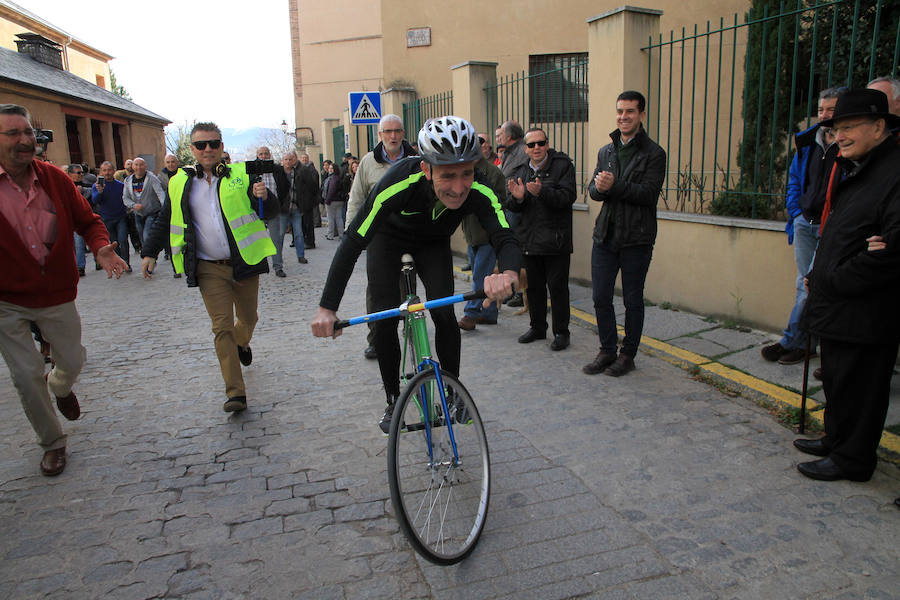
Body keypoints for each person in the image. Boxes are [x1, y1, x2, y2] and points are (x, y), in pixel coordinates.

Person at [311, 116, 520, 433]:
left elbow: (504, 236)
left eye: (467, 173)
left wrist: (507, 272)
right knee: (384, 318)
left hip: (433, 243)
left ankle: (452, 393)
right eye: (447, 175)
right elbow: (353, 242)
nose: (459, 187)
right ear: (427, 170)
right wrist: (327, 307)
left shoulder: (480, 188)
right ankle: (393, 398)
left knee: (444, 313)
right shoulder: (398, 182)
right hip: (388, 240)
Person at [0, 103, 127, 476]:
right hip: (6, 300)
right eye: (14, 134)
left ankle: (60, 386)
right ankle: (52, 443)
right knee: (25, 375)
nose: (25, 141)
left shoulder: (55, 179)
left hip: (56, 295)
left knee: (72, 360)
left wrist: (101, 246)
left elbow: (88, 220)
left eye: (29, 133)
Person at [793, 88, 900, 482]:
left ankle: (853, 459)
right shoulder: (858, 165)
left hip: (868, 310)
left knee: (862, 387)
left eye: (850, 126)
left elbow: (888, 252)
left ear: (879, 126)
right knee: (838, 377)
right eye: (837, 128)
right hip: (838, 302)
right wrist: (821, 273)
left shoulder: (894, 172)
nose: (841, 136)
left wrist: (832, 276)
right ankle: (836, 440)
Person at [141, 122, 279, 414]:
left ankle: (242, 344)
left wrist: (264, 197)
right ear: (192, 149)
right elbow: (166, 218)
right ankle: (236, 393)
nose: (207, 150)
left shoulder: (240, 175)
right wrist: (149, 252)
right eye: (201, 145)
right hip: (207, 267)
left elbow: (273, 209)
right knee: (221, 328)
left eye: (213, 144)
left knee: (248, 318)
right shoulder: (180, 182)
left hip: (244, 263)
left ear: (222, 146)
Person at [583, 90, 666, 377]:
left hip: (637, 239)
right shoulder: (607, 151)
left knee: (632, 300)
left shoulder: (654, 153)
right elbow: (593, 191)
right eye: (620, 111)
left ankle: (627, 354)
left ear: (641, 115)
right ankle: (607, 350)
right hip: (605, 236)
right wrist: (600, 188)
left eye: (630, 112)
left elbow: (648, 194)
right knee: (600, 296)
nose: (623, 117)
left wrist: (613, 186)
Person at [761, 87, 844, 366]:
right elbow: (796, 180)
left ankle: (796, 342)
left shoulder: (848, 145)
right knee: (804, 284)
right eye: (821, 109)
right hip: (805, 223)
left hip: (831, 227)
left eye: (831, 109)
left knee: (817, 285)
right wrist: (796, 212)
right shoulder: (809, 141)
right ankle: (800, 343)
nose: (824, 115)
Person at [345, 114, 417, 360]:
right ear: (380, 135)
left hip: (409, 234)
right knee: (376, 291)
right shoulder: (367, 163)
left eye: (397, 131)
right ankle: (376, 338)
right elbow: (357, 199)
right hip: (380, 235)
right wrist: (351, 236)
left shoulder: (415, 159)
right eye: (388, 131)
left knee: (408, 285)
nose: (393, 136)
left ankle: (411, 333)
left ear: (403, 132)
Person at [505, 128, 576, 350]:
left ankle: (561, 333)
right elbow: (511, 204)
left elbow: (568, 197)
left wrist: (541, 192)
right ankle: (537, 327)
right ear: (525, 149)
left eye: (541, 143)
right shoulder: (521, 170)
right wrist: (519, 198)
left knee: (558, 289)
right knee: (534, 288)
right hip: (530, 240)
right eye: (531, 145)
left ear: (547, 144)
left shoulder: (563, 166)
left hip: (556, 241)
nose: (536, 148)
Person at [457, 137, 507, 331]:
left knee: (480, 275)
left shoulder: (492, 173)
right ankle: (489, 313)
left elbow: (501, 202)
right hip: (471, 233)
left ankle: (471, 314)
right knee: (483, 274)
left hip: (487, 234)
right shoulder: (464, 171)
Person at [255, 146, 291, 277]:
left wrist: (279, 201)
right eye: (261, 154)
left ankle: (278, 266)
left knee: (276, 239)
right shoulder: (252, 171)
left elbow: (285, 186)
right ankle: (257, 266)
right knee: (257, 240)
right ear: (257, 155)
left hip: (273, 208)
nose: (263, 156)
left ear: (269, 154)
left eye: (265, 153)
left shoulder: (277, 169)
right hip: (257, 210)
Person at [92, 161, 132, 272]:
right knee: (114, 243)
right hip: (106, 218)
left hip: (120, 217)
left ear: (114, 171)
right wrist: (99, 192)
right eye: (104, 170)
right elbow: (95, 201)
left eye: (109, 170)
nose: (107, 173)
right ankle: (119, 263)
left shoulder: (121, 186)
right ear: (101, 172)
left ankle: (126, 263)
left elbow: (126, 199)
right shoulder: (97, 186)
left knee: (123, 240)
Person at [122, 157, 166, 248]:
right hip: (138, 214)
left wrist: (165, 207)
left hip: (152, 212)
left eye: (141, 165)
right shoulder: (128, 181)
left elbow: (160, 193)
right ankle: (147, 254)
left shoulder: (152, 178)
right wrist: (133, 205)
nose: (139, 167)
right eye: (136, 165)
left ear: (145, 166)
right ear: (133, 166)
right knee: (141, 235)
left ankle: (150, 256)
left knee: (147, 235)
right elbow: (125, 198)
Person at [65, 163, 92, 277]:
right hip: (73, 220)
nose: (81, 175)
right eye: (78, 173)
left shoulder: (87, 184)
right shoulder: (65, 186)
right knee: (78, 243)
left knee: (90, 240)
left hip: (87, 217)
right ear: (70, 174)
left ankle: (97, 261)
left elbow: (92, 199)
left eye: (82, 172)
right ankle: (80, 266)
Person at [296, 152, 319, 247]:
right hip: (304, 201)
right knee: (305, 222)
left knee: (308, 222)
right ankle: (306, 241)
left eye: (306, 158)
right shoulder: (302, 169)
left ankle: (310, 242)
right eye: (303, 158)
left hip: (308, 201)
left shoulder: (311, 170)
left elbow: (313, 185)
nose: (304, 160)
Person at [323, 162, 345, 240]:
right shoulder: (338, 177)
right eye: (329, 168)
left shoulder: (332, 178)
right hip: (340, 200)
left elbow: (331, 190)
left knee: (331, 218)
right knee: (339, 218)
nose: (330, 170)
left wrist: (327, 200)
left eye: (331, 168)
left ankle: (330, 235)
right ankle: (341, 234)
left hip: (332, 201)